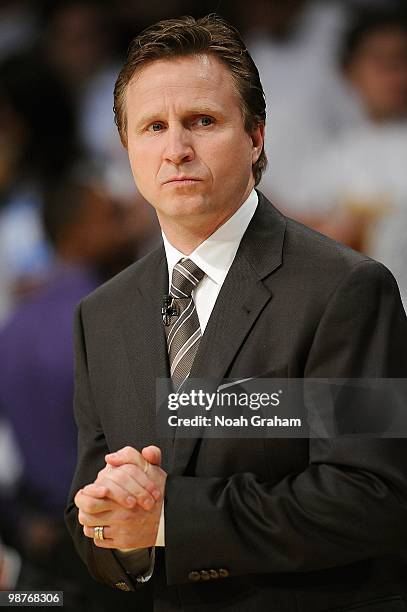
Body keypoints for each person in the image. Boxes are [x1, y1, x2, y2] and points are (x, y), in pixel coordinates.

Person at [66, 15, 407, 611]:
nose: (176, 149)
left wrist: (173, 519)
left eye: (202, 121)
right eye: (153, 127)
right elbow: (92, 517)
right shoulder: (102, 316)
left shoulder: (346, 291)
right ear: (127, 150)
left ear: (256, 137)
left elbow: (371, 494)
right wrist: (114, 527)